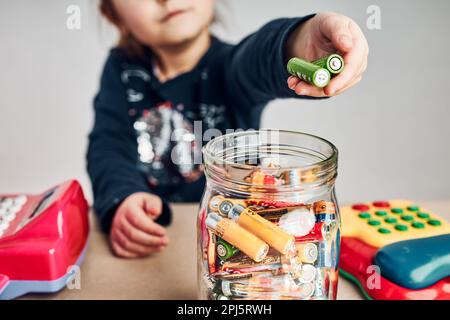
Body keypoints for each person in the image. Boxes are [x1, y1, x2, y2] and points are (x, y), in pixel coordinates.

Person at [87, 0, 368, 258]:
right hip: (159, 245)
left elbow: (261, 56)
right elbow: (108, 146)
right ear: (113, 14)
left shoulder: (231, 67)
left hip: (243, 242)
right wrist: (123, 196)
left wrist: (300, 40)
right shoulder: (121, 73)